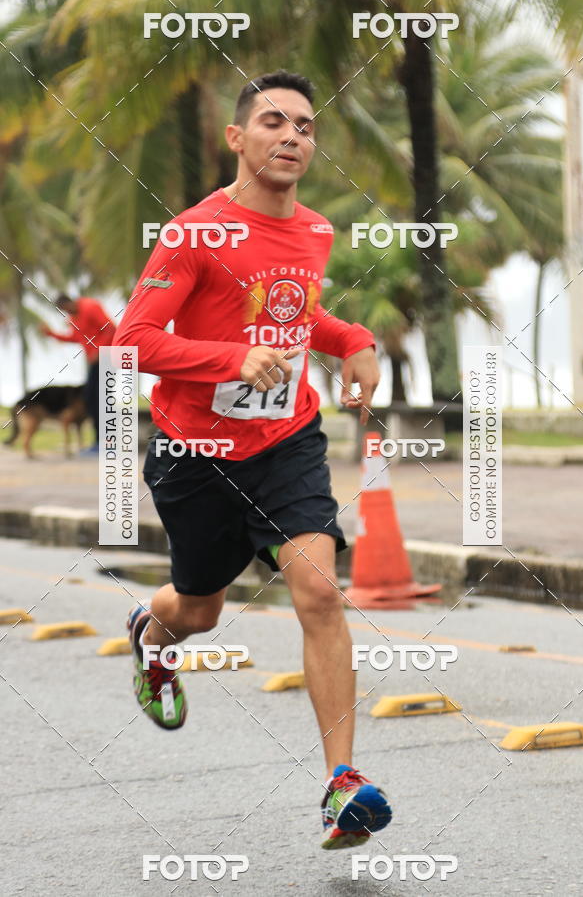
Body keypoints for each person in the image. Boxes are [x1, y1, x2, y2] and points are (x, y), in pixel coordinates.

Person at [113, 70, 392, 850]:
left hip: (285, 444)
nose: (292, 136)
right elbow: (131, 341)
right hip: (194, 454)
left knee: (319, 591)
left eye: (305, 126)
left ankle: (343, 785)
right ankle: (151, 630)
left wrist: (354, 342)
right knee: (198, 609)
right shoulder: (193, 232)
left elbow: (299, 316)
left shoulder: (315, 231)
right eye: (274, 121)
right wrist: (230, 361)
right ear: (237, 139)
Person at [40, 294, 116, 453]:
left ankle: (107, 443)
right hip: (95, 361)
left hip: (107, 356)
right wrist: (51, 334)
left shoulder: (90, 306)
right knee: (91, 398)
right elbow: (75, 338)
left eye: (64, 308)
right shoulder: (73, 318)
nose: (65, 312)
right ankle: (100, 442)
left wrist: (98, 350)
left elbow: (110, 328)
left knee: (99, 398)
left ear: (69, 302)